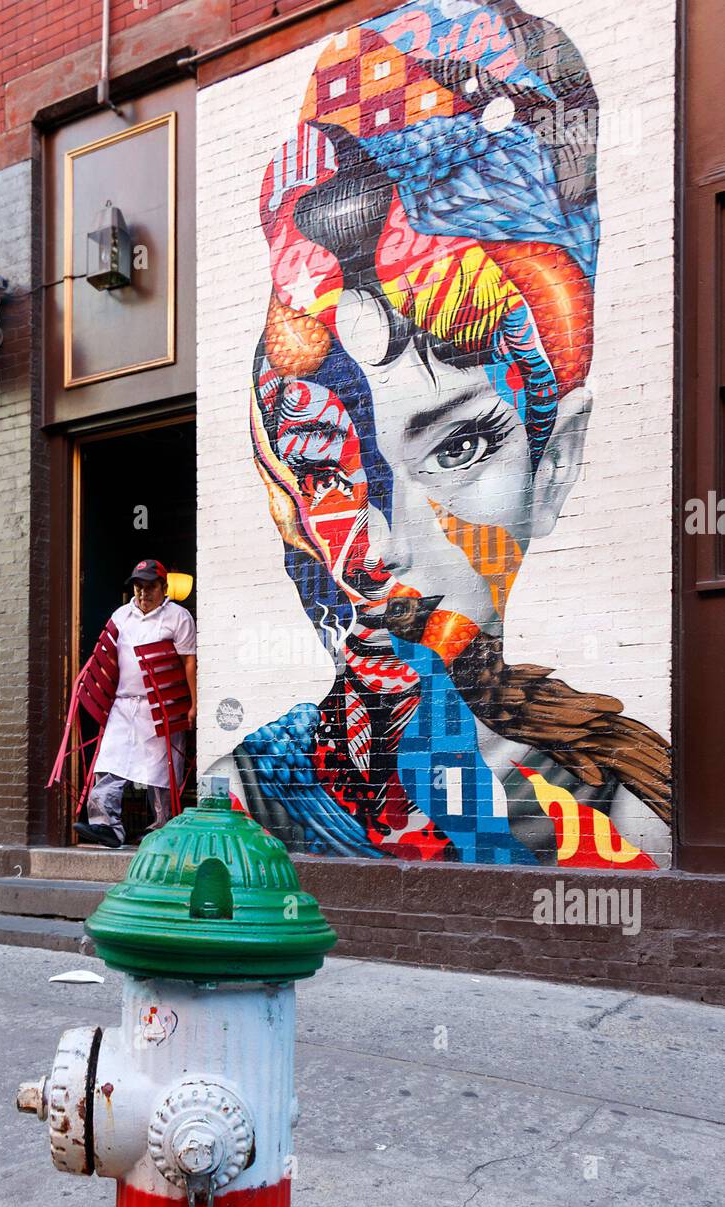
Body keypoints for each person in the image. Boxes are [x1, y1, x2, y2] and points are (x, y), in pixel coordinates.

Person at [212, 0, 670, 869]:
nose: (377, 547)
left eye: (457, 447)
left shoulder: (630, 808)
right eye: (322, 469)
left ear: (555, 463)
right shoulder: (244, 805)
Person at [75, 559, 196, 847]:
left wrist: (194, 703)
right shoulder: (121, 616)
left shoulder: (178, 617)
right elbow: (107, 658)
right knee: (109, 763)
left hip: (161, 707)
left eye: (150, 586)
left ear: (164, 587)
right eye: (138, 587)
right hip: (123, 704)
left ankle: (160, 830)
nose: (143, 593)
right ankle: (107, 827)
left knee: (160, 772)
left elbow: (189, 661)